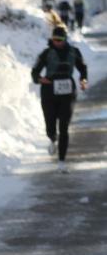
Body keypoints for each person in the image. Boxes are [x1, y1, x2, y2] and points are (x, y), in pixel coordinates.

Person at [31, 26, 88, 173]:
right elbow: (35, 71)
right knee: (50, 124)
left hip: (67, 92)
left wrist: (83, 80)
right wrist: (39, 79)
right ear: (52, 39)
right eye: (55, 39)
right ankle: (52, 138)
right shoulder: (46, 53)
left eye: (60, 40)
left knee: (64, 126)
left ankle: (61, 162)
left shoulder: (73, 52)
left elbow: (82, 68)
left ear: (65, 39)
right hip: (49, 91)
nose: (57, 42)